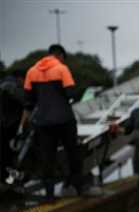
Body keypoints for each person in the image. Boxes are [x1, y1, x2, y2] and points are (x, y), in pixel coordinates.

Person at [23, 44, 99, 201]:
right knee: (73, 153)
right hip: (64, 119)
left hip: (43, 122)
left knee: (47, 157)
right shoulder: (61, 69)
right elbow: (71, 94)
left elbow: (29, 101)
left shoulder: (31, 71)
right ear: (61, 56)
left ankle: (49, 195)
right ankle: (79, 188)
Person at [0, 69, 28, 185]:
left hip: (6, 124)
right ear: (20, 78)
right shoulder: (10, 85)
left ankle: (8, 180)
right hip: (8, 125)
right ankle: (9, 181)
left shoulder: (5, 83)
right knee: (8, 155)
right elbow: (26, 102)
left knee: (6, 154)